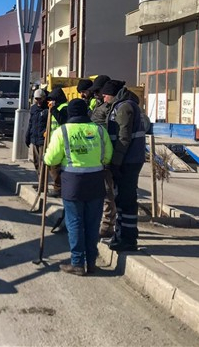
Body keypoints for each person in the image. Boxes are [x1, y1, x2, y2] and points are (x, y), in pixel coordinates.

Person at [44, 99, 113, 275]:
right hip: (96, 182)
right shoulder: (99, 130)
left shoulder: (63, 131)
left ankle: (77, 263)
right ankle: (91, 262)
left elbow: (51, 159)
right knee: (92, 224)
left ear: (70, 113)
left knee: (75, 223)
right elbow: (108, 156)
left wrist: (47, 157)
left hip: (72, 183)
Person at [100, 79, 146, 251]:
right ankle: (123, 235)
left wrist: (116, 163)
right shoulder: (121, 105)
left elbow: (123, 138)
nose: (104, 99)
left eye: (105, 96)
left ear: (112, 94)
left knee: (126, 200)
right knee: (122, 199)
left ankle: (127, 238)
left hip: (128, 161)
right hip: (128, 160)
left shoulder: (124, 107)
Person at [87, 75, 118, 238]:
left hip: (106, 155)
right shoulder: (100, 105)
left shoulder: (110, 108)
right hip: (96, 154)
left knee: (108, 191)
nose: (96, 95)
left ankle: (108, 226)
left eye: (98, 92)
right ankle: (104, 222)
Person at [46, 86, 68, 197]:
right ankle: (57, 187)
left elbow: (62, 120)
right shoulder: (56, 108)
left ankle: (58, 189)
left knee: (55, 166)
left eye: (52, 99)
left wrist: (54, 109)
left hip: (62, 142)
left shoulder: (64, 107)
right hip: (54, 141)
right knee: (53, 166)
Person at [25, 88, 48, 186]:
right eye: (36, 99)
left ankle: (42, 184)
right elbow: (31, 123)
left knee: (42, 162)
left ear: (44, 98)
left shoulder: (47, 109)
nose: (38, 101)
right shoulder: (33, 108)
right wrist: (27, 136)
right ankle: (39, 181)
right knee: (36, 162)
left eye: (40, 99)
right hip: (34, 139)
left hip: (43, 140)